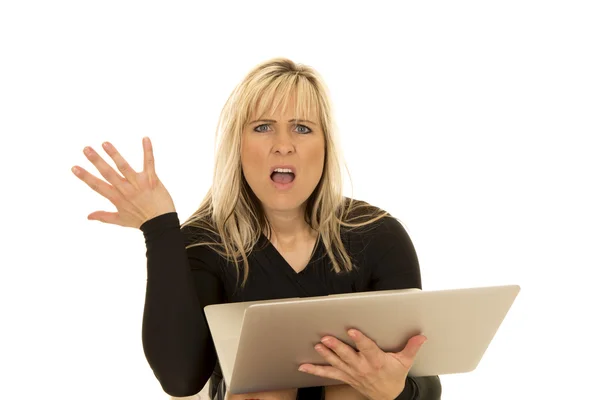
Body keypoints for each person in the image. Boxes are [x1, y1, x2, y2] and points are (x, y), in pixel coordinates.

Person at [71, 57, 442, 400]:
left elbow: (425, 378)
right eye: (263, 127)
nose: (283, 146)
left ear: (326, 147)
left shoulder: (378, 236)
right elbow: (180, 378)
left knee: (352, 384)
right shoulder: (205, 244)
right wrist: (160, 229)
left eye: (302, 128)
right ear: (239, 145)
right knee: (267, 389)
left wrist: (395, 389)